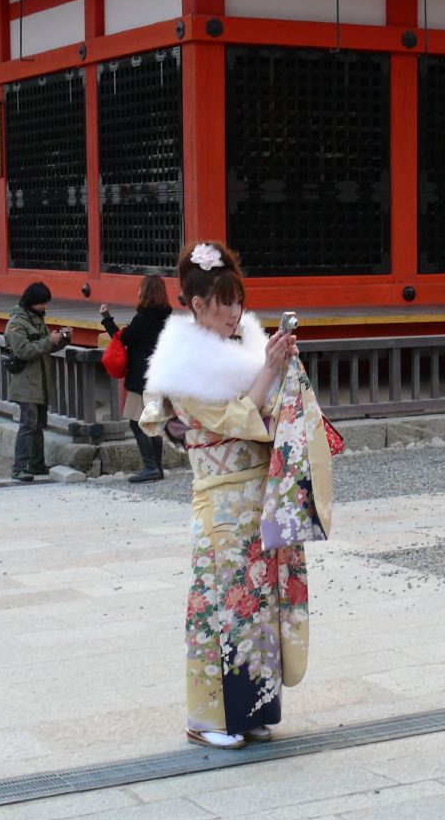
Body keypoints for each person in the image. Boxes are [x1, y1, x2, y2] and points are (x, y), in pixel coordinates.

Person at [139, 241, 306, 750]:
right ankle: (207, 716)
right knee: (219, 604)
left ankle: (252, 707)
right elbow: (239, 420)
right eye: (223, 302)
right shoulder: (184, 368)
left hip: (255, 497)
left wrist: (280, 369)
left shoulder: (242, 349)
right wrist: (269, 370)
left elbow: (270, 407)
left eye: (238, 301)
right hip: (221, 504)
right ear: (196, 305)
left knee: (256, 604)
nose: (236, 312)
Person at [99, 276, 173, 483]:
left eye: (141, 289)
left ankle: (150, 467)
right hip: (159, 375)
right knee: (153, 422)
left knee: (137, 422)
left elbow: (122, 338)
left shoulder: (142, 319)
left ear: (146, 292)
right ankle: (156, 467)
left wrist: (106, 318)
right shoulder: (168, 318)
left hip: (142, 377)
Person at [5, 281, 71, 482]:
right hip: (26, 383)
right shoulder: (16, 324)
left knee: (39, 425)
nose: (44, 307)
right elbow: (23, 351)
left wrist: (63, 339)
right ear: (31, 302)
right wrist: (48, 340)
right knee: (28, 425)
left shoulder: (37, 321)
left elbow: (45, 348)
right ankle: (19, 467)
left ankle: (36, 464)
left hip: (40, 382)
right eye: (41, 303)